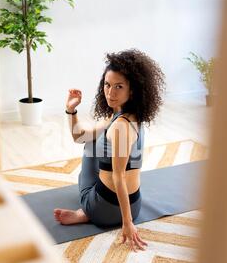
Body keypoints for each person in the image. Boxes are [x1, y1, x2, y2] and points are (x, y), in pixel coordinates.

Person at [54, 49, 165, 252]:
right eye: (107, 85)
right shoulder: (131, 116)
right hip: (136, 205)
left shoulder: (120, 126)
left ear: (132, 90)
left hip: (102, 209)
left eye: (119, 87)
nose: (110, 93)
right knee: (94, 140)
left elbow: (118, 176)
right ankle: (103, 209)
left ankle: (85, 212)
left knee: (91, 145)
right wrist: (71, 110)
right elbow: (79, 134)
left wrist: (127, 223)